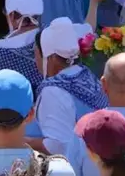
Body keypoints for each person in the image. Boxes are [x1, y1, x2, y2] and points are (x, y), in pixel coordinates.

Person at [31, 17, 107, 156]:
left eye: (36, 53)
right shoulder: (84, 74)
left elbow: (57, 146)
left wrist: (21, 142)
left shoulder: (53, 92)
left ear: (51, 58)